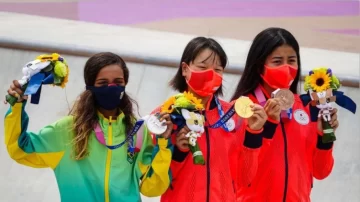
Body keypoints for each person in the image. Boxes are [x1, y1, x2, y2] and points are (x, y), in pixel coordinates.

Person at [4, 52, 173, 202]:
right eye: (103, 83)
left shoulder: (137, 132)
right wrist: (17, 106)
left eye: (118, 82)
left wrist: (163, 145)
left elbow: (152, 188)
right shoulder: (67, 130)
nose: (111, 87)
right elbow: (20, 149)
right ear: (90, 86)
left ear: (125, 84)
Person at [152, 37, 268, 202]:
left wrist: (254, 134)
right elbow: (155, 183)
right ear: (185, 69)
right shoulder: (165, 116)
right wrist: (178, 152)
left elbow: (245, 179)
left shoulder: (234, 115)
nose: (211, 74)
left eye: (218, 70)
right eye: (202, 67)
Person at [231, 27, 339, 202]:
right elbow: (243, 175)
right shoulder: (243, 109)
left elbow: (321, 172)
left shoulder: (305, 108)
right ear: (260, 66)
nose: (286, 68)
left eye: (291, 60)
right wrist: (265, 128)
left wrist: (325, 137)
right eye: (277, 61)